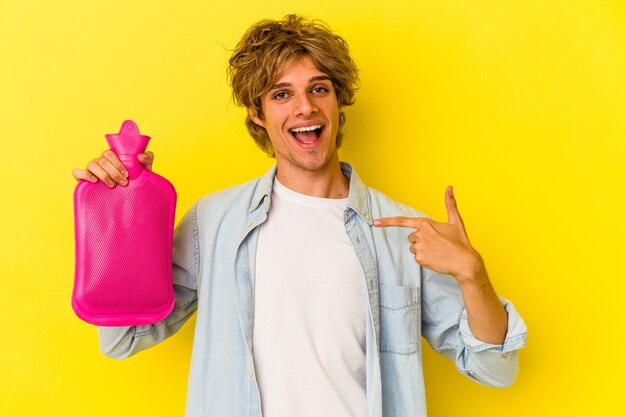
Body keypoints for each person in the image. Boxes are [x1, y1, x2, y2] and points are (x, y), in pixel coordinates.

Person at [72, 14, 527, 417]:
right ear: (257, 114)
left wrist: (473, 274)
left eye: (318, 88)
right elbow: (123, 339)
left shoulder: (404, 233)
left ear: (338, 101)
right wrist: (126, 210)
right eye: (281, 94)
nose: (304, 106)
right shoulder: (214, 221)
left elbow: (495, 367)